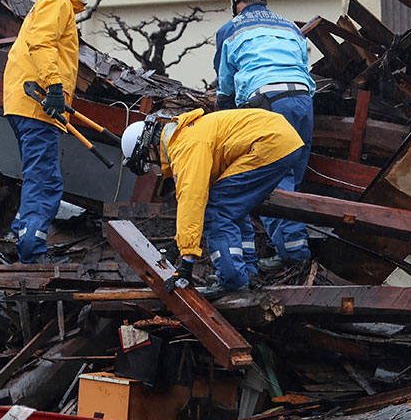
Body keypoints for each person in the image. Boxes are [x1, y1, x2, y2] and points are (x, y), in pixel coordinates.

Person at [120, 108, 306, 294]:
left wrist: (186, 262)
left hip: (269, 142)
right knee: (232, 206)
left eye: (147, 161)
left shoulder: (185, 148)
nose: (151, 166)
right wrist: (178, 244)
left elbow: (192, 202)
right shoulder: (185, 137)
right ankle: (246, 271)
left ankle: (232, 279)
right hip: (279, 138)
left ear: (150, 147)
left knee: (216, 210)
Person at [2, 0, 102, 263]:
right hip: (37, 105)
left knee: (38, 176)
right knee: (45, 180)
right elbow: (41, 43)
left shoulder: (58, 5)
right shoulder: (57, 2)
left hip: (28, 104)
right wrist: (55, 88)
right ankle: (32, 251)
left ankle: (23, 236)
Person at [214, 0, 315, 272]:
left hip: (266, 104)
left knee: (271, 181)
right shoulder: (290, 27)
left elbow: (226, 85)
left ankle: (292, 255)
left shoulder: (230, 30)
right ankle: (293, 246)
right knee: (293, 176)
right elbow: (303, 66)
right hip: (303, 101)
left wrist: (222, 120)